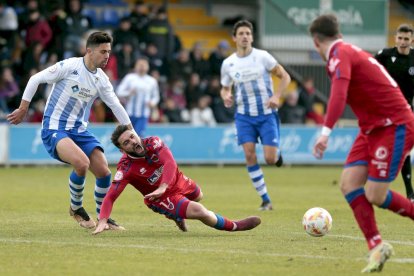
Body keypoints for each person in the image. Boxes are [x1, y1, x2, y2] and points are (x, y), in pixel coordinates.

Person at [309, 14, 414, 273]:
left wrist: (325, 132)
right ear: (339, 33)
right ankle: (377, 246)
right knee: (349, 184)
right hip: (371, 128)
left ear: (315, 42)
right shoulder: (346, 51)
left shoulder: (338, 55)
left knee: (375, 195)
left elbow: (339, 93)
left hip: (394, 125)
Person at [7, 31, 133, 230]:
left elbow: (115, 105)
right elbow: (35, 79)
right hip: (54, 127)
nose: (107, 56)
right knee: (81, 163)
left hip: (79, 130)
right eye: (103, 51)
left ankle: (103, 217)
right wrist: (24, 108)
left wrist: (131, 132)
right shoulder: (68, 66)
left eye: (108, 51)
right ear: (89, 51)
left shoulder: (101, 79)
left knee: (104, 172)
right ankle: (76, 209)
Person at [93, 125, 261, 234]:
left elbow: (170, 162)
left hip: (176, 180)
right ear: (122, 149)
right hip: (160, 197)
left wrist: (164, 185)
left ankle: (177, 215)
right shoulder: (126, 168)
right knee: (200, 211)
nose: (132, 141)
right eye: (126, 142)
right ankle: (234, 226)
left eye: (132, 136)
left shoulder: (153, 142)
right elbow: (111, 196)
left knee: (199, 195)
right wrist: (102, 221)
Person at [220, 20, 291, 211]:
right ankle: (265, 199)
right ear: (234, 38)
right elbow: (225, 88)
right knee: (249, 155)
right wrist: (226, 95)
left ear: (252, 37)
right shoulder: (228, 63)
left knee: (269, 159)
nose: (245, 37)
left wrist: (277, 95)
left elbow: (285, 76)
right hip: (243, 116)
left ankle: (277, 156)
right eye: (241, 33)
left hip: (267, 114)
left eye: (248, 33)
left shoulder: (263, 57)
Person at [375, 24, 414, 201]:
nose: (403, 42)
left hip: (406, 112)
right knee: (380, 147)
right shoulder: (384, 55)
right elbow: (369, 72)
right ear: (395, 38)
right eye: (400, 38)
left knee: (404, 150)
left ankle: (410, 192)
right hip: (385, 112)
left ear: (412, 40)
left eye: (406, 39)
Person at [116, 57, 160, 137]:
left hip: (143, 114)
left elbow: (156, 97)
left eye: (144, 65)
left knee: (138, 136)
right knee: (127, 136)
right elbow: (119, 92)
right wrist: (129, 93)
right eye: (140, 64)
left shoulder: (152, 81)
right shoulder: (129, 78)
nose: (142, 67)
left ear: (148, 67)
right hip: (129, 113)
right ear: (136, 66)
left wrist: (152, 103)